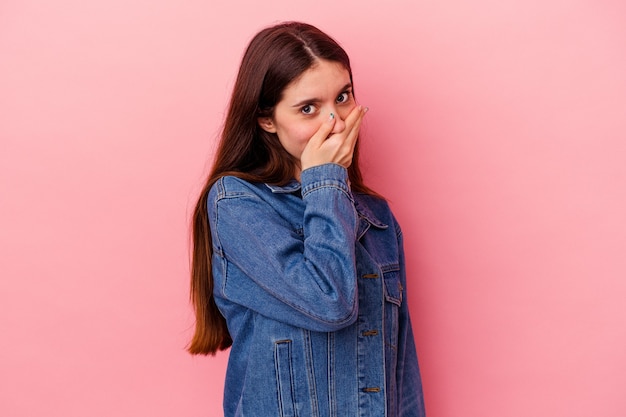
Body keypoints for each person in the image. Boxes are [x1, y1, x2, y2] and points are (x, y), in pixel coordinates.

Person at [188, 21, 426, 417]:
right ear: (266, 119)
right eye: (308, 108)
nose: (335, 122)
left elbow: (401, 368)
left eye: (343, 97)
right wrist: (325, 180)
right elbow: (329, 302)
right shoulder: (236, 204)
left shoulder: (376, 216)